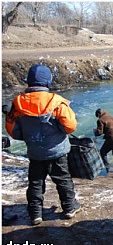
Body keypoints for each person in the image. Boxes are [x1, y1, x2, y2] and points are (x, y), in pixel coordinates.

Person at [5, 64, 81, 226]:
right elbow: (70, 126)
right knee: (63, 180)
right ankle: (69, 208)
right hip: (57, 152)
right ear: (47, 82)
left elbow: (14, 132)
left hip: (35, 152)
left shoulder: (17, 104)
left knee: (35, 183)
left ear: (29, 81)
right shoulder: (56, 102)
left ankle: (35, 214)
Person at [94, 108, 113, 174]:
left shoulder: (100, 120)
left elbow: (99, 132)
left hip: (112, 138)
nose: (98, 117)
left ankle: (106, 168)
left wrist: (95, 131)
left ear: (99, 114)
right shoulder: (112, 117)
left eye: (98, 116)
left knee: (102, 152)